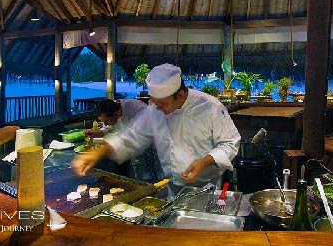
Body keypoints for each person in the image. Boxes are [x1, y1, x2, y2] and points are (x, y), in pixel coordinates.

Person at [71, 63, 241, 193]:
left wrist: (204, 162)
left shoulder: (210, 107)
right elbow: (131, 136)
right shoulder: (156, 110)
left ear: (180, 95)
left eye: (163, 103)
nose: (156, 107)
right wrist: (98, 153)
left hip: (206, 188)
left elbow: (230, 144)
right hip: (170, 187)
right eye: (154, 101)